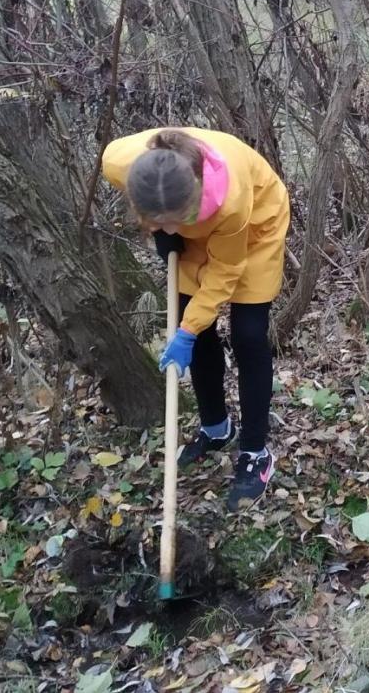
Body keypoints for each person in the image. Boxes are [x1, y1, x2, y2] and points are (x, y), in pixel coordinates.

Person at [102, 128, 290, 511]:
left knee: (248, 335)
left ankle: (255, 453)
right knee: (198, 327)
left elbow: (225, 272)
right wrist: (164, 232)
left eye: (176, 219)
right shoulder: (119, 163)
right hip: (196, 231)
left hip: (254, 229)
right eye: (158, 221)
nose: (168, 228)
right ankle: (216, 428)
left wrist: (184, 332)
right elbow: (159, 209)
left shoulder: (232, 201)